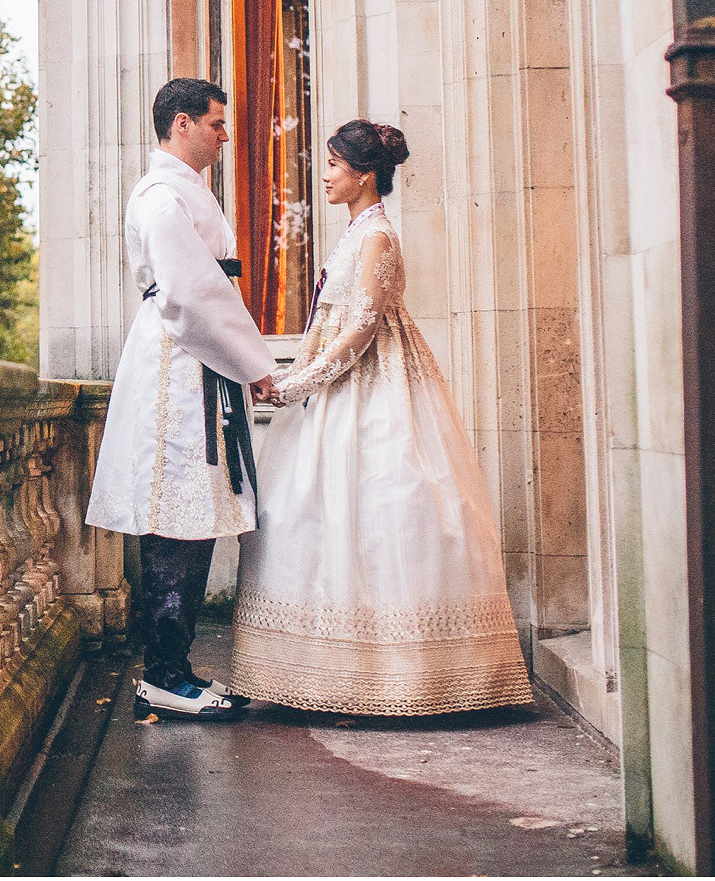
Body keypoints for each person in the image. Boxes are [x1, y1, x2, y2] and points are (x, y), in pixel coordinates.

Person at [230, 119, 532, 715]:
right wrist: (292, 376)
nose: (325, 175)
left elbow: (365, 327)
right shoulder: (351, 235)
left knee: (382, 510)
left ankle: (397, 677)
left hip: (378, 386)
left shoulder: (378, 239)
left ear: (365, 175)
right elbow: (327, 322)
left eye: (335, 165)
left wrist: (301, 384)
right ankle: (327, 671)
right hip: (336, 388)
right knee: (315, 514)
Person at [86, 77, 281, 717]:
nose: (226, 136)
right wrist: (255, 362)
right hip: (179, 361)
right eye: (217, 124)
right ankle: (164, 675)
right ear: (181, 125)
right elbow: (188, 292)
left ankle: (174, 668)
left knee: (195, 511)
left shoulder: (187, 192)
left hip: (198, 360)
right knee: (177, 510)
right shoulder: (161, 196)